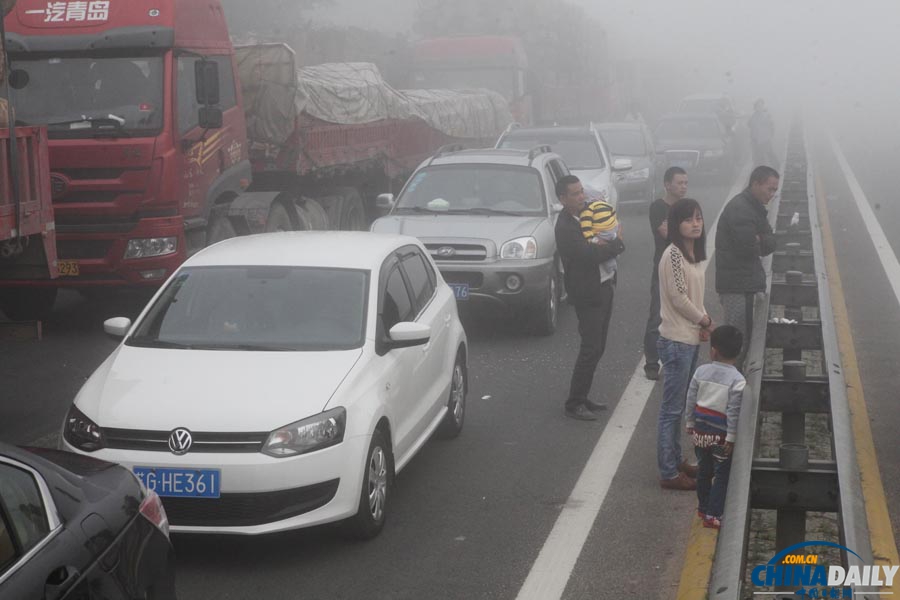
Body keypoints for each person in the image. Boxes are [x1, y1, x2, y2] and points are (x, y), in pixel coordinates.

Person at [555, 175, 626, 421]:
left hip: (604, 285)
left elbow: (608, 232)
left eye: (581, 191)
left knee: (599, 346)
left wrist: (612, 240)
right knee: (590, 347)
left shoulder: (589, 213)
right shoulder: (565, 227)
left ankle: (583, 396)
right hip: (587, 293)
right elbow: (588, 255)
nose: (581, 197)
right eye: (574, 194)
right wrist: (616, 244)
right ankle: (574, 403)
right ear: (562, 199)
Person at [657, 197, 712, 490]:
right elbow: (678, 298)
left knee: (680, 407)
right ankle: (668, 472)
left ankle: (676, 460)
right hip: (676, 340)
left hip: (689, 337)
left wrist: (702, 321)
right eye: (689, 219)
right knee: (671, 410)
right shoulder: (674, 255)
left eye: (699, 218)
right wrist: (703, 321)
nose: (696, 224)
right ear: (677, 223)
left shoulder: (693, 254)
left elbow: (695, 296)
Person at [715, 166, 779, 371]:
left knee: (746, 341)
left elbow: (770, 242)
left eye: (775, 190)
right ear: (755, 184)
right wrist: (760, 240)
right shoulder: (740, 209)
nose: (772, 194)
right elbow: (747, 248)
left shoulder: (753, 207)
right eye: (769, 189)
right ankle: (727, 392)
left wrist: (760, 239)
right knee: (736, 344)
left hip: (746, 283)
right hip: (738, 288)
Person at [685, 325, 746, 529]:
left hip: (701, 433)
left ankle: (703, 508)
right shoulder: (738, 380)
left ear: (713, 351)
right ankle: (714, 514)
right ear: (739, 352)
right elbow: (733, 411)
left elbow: (691, 398)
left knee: (704, 471)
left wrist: (690, 422)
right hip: (721, 437)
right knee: (721, 474)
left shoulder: (701, 371)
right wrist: (731, 437)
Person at [643, 167, 689, 380]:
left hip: (685, 267)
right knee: (657, 317)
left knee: (682, 315)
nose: (683, 187)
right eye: (679, 183)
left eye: (685, 183)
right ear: (667, 184)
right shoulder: (658, 207)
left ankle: (675, 359)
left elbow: (694, 235)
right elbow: (666, 233)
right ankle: (651, 363)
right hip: (663, 268)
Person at [579, 200, 619, 278]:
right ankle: (616, 253)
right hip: (612, 229)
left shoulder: (587, 210)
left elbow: (586, 227)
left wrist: (592, 239)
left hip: (600, 233)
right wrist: (614, 224)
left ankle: (611, 266)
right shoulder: (604, 203)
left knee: (605, 252)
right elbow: (613, 212)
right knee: (613, 243)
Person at [748, 99, 777, 167]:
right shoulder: (754, 116)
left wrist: (770, 135)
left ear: (763, 106)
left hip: (765, 139)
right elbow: (749, 124)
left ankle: (776, 167)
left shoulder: (766, 115)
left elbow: (771, 125)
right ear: (755, 107)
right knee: (759, 157)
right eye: (758, 106)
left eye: (761, 106)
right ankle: (762, 171)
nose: (759, 108)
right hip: (756, 140)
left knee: (769, 154)